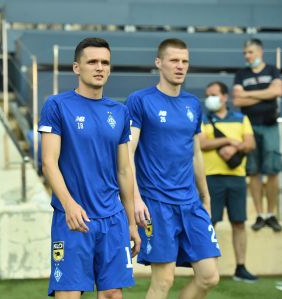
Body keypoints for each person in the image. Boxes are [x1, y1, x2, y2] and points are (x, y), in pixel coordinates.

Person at [39, 37, 140, 299]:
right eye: (92, 61)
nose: (99, 67)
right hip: (73, 218)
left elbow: (124, 170)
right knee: (69, 295)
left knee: (112, 295)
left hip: (112, 218)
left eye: (105, 62)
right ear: (76, 68)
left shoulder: (120, 111)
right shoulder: (57, 105)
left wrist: (131, 222)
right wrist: (69, 204)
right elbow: (49, 163)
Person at [126, 38, 221, 299]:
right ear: (159, 63)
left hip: (190, 203)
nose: (180, 66)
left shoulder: (192, 104)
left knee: (209, 276)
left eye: (185, 61)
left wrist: (206, 196)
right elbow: (127, 153)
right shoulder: (140, 101)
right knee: (164, 281)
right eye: (174, 60)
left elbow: (195, 154)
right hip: (156, 203)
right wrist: (135, 199)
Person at [199, 81, 257, 282]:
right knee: (209, 222)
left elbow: (250, 143)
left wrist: (234, 148)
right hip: (211, 178)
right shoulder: (203, 119)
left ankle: (241, 267)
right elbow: (202, 143)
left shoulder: (241, 118)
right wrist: (228, 141)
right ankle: (208, 267)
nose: (210, 98)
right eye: (208, 95)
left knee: (239, 222)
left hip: (237, 178)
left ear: (225, 97)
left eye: (214, 94)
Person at [232, 38, 282, 232]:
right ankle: (260, 214)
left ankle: (271, 214)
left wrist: (249, 95)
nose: (247, 56)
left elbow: (278, 90)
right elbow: (237, 99)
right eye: (245, 53)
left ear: (260, 51)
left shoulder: (272, 70)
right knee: (253, 171)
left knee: (271, 171)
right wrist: (266, 93)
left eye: (250, 52)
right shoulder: (241, 74)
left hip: (270, 126)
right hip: (249, 128)